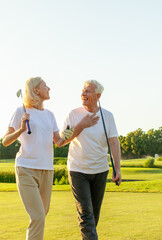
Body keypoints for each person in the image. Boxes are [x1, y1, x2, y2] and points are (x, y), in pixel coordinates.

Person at [2, 77, 98, 240]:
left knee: (42, 214)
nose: (49, 88)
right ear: (36, 90)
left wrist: (76, 128)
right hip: (26, 168)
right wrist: (21, 128)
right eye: (45, 86)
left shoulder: (50, 115)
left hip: (47, 170)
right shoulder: (21, 111)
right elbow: (5, 141)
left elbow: (60, 141)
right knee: (38, 216)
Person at [62, 80, 122, 240]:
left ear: (98, 95)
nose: (83, 93)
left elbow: (114, 142)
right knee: (86, 214)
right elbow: (63, 139)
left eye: (87, 91)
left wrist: (118, 169)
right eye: (82, 90)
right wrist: (81, 125)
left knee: (93, 216)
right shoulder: (73, 114)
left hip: (100, 171)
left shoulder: (107, 116)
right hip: (77, 170)